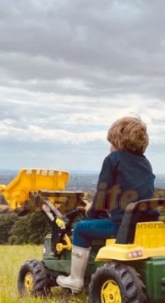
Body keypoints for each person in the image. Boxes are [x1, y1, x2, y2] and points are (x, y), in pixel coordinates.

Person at [56, 115, 156, 292]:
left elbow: (102, 195)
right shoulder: (145, 163)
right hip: (146, 225)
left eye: (111, 143)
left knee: (81, 228)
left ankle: (75, 279)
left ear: (118, 142)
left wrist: (91, 211)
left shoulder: (113, 159)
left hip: (121, 226)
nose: (110, 147)